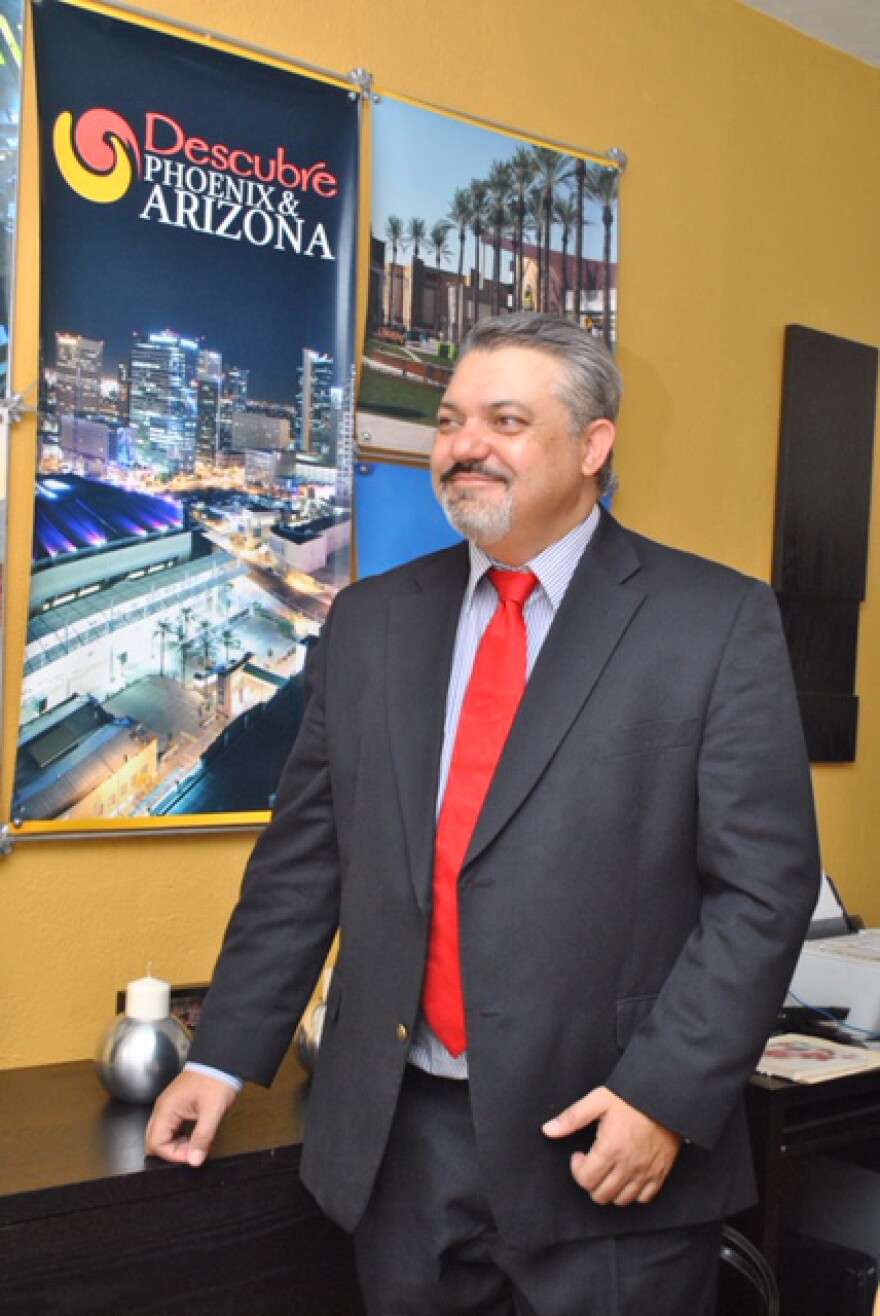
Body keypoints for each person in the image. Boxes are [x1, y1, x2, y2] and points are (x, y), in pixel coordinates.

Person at [147, 313, 820, 1315]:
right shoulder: (369, 620)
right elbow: (305, 859)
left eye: (506, 420)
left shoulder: (713, 621)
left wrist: (665, 1095)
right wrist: (221, 1055)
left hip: (607, 1141)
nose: (465, 445)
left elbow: (763, 889)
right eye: (451, 420)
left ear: (592, 445)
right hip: (400, 1145)